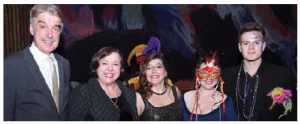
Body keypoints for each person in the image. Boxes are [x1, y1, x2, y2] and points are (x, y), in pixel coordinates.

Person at [4, 4, 70, 121]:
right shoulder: (10, 67)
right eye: (43, 26)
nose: (50, 35)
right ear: (31, 29)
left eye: (55, 28)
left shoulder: (64, 64)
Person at [221, 22, 297, 121]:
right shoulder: (226, 76)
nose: (251, 47)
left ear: (263, 46)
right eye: (246, 43)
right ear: (240, 47)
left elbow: (292, 113)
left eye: (256, 42)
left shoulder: (282, 75)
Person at [67, 46, 138, 121]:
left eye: (115, 64)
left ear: (121, 69)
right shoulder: (82, 92)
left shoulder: (130, 93)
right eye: (105, 63)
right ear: (96, 66)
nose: (110, 68)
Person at [179, 52, 236, 121]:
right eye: (204, 73)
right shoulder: (184, 98)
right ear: (197, 75)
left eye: (214, 73)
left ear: (219, 76)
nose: (209, 78)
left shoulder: (226, 101)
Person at [136, 53, 183, 121]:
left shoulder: (175, 91)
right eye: (149, 68)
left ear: (165, 72)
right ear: (145, 73)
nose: (153, 71)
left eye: (158, 67)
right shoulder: (139, 98)